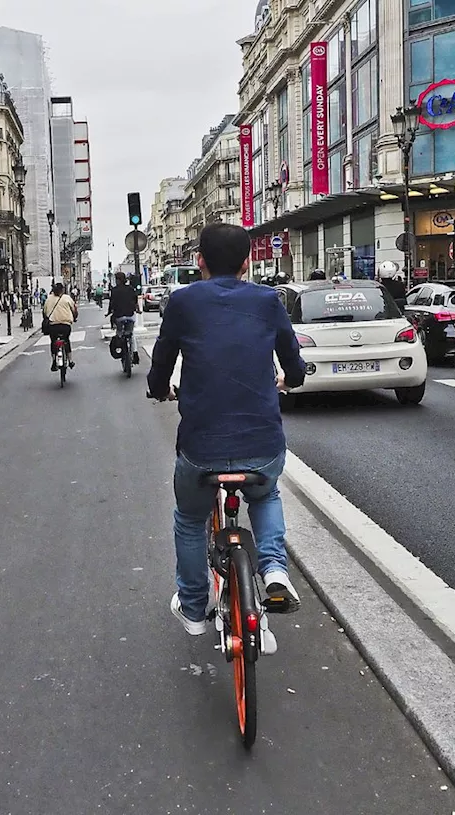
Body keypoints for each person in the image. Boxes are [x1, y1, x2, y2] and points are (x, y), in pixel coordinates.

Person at [146, 223, 307, 637]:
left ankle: (195, 608)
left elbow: (161, 363)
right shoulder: (268, 300)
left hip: (202, 447)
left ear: (199, 261)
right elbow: (294, 365)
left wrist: (160, 390)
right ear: (247, 261)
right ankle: (274, 571)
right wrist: (289, 380)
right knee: (265, 493)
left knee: (189, 517)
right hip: (262, 443)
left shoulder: (182, 302)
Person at [106, 271, 141, 364]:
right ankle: (135, 353)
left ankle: (120, 349)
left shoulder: (114, 290)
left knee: (119, 333)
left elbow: (112, 304)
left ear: (117, 280)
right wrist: (138, 310)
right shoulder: (131, 289)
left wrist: (108, 312)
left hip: (119, 317)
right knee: (131, 334)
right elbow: (135, 301)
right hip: (130, 315)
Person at [42, 282, 78, 371]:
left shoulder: (49, 299)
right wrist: (74, 317)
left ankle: (54, 360)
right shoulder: (67, 298)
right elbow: (74, 310)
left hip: (53, 326)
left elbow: (45, 313)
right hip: (65, 325)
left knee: (53, 342)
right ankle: (70, 360)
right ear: (63, 289)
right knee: (66, 340)